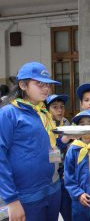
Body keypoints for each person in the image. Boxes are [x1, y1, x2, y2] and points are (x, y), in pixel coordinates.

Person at [0, 62, 62, 220]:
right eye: (39, 84)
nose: (46, 88)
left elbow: (48, 145)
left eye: (47, 84)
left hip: (52, 189)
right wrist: (11, 200)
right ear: (23, 85)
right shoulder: (9, 113)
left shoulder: (43, 112)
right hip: (26, 196)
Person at [45, 94, 72, 221]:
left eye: (62, 107)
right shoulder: (44, 125)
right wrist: (62, 141)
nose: (60, 110)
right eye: (55, 107)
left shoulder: (67, 123)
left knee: (67, 207)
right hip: (50, 173)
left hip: (64, 171)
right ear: (47, 109)